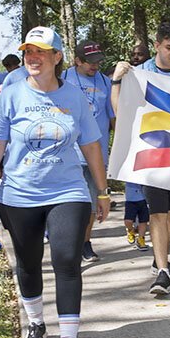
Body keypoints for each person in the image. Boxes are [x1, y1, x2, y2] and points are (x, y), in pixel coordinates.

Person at [0, 26, 110, 338]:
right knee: (29, 264)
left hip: (68, 191)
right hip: (19, 194)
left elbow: (91, 144)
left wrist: (102, 191)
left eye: (40, 52)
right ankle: (36, 323)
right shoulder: (10, 95)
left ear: (56, 57)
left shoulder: (74, 97)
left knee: (66, 261)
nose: (32, 57)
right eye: (28, 51)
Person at [111, 22, 170, 296]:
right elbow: (121, 112)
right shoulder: (139, 75)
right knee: (158, 211)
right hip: (152, 155)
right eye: (169, 48)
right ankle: (162, 273)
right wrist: (118, 81)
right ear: (156, 45)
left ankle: (160, 258)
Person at [62, 39, 115, 262]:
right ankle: (68, 243)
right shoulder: (64, 79)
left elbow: (113, 116)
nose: (95, 66)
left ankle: (85, 242)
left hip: (97, 153)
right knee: (70, 203)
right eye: (90, 62)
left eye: (98, 62)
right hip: (69, 153)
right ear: (77, 61)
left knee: (93, 202)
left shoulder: (105, 81)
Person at [124, 182, 149, 251]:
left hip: (144, 200)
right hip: (130, 201)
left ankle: (141, 240)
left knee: (143, 221)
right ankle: (130, 230)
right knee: (128, 221)